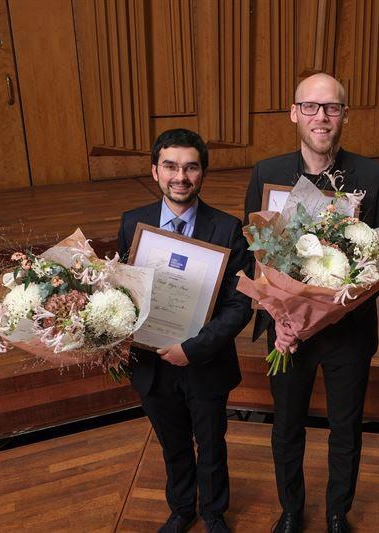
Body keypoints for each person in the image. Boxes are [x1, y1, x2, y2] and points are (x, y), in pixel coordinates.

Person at [243, 73, 379, 533]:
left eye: (331, 108)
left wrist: (339, 303)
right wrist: (280, 318)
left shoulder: (372, 176)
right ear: (294, 113)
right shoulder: (266, 174)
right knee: (286, 425)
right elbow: (258, 255)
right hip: (288, 334)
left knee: (345, 428)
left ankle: (336, 513)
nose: (321, 117)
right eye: (310, 107)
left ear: (345, 115)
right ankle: (291, 509)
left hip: (347, 331)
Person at [118, 129, 253, 533]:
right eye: (171, 166)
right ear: (155, 171)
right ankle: (181, 509)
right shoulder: (132, 222)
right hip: (152, 362)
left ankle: (213, 512)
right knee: (172, 444)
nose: (181, 176)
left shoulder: (227, 228)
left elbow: (239, 305)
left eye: (191, 167)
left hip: (203, 361)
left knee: (211, 445)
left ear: (203, 173)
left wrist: (192, 349)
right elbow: (122, 290)